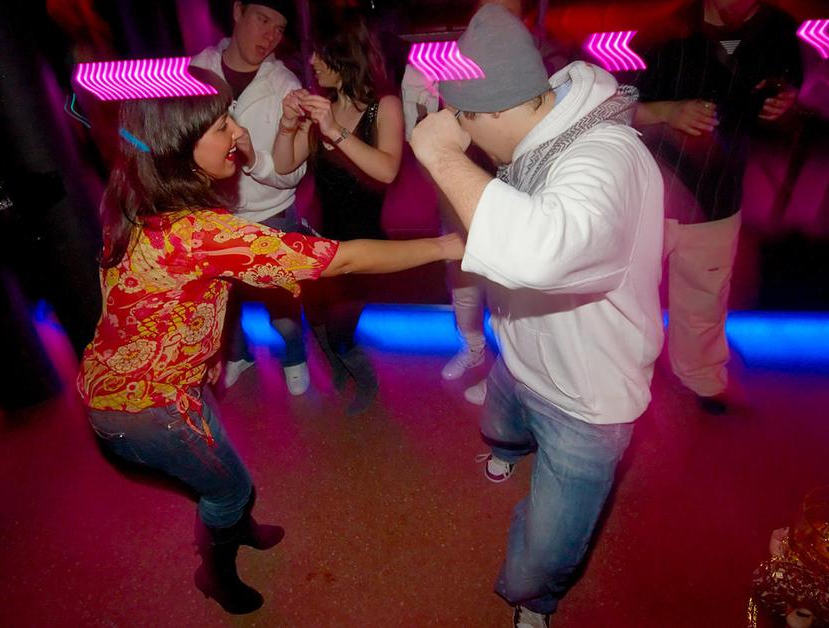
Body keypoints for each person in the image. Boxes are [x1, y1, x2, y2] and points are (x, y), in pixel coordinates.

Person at [77, 69, 462, 615]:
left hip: (146, 381)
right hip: (145, 406)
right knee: (228, 487)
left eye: (230, 117)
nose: (238, 133)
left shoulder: (133, 196)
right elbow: (342, 259)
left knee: (225, 471)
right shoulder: (199, 233)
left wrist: (204, 354)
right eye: (221, 126)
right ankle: (216, 572)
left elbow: (144, 296)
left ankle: (239, 524)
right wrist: (445, 246)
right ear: (177, 149)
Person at [409, 5, 664, 626]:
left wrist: (441, 156)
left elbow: (541, 254)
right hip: (521, 354)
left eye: (467, 124)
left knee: (545, 550)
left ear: (494, 111)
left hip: (587, 396)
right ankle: (507, 447)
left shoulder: (606, 158)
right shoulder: (545, 132)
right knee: (501, 424)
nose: (468, 140)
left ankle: (533, 600)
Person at [634, 0, 802, 415]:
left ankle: (702, 376)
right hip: (650, 196)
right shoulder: (662, 30)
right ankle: (620, 374)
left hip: (718, 194)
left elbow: (788, 87)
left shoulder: (777, 28)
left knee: (705, 298)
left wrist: (785, 101)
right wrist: (666, 111)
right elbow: (611, 108)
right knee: (628, 296)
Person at [401, 0, 571, 406]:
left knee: (510, 294)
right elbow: (424, 130)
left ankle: (508, 372)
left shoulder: (540, 60)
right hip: (459, 196)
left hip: (514, 196)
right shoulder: (458, 60)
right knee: (462, 284)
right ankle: (474, 349)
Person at [272, 13, 403, 416]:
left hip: (364, 248)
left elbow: (387, 169)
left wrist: (335, 131)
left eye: (319, 53)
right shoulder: (323, 109)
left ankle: (365, 381)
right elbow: (283, 164)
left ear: (343, 54)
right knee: (317, 322)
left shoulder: (384, 106)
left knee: (342, 331)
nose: (311, 62)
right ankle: (342, 370)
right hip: (322, 242)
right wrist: (288, 124)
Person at [190, 0, 313, 396]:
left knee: (282, 303)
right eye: (263, 20)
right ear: (238, 11)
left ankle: (294, 356)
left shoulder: (285, 84)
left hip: (271, 213)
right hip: (213, 214)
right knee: (222, 302)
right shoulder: (197, 69)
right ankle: (238, 354)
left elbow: (291, 173)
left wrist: (252, 158)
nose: (270, 36)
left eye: (279, 28)